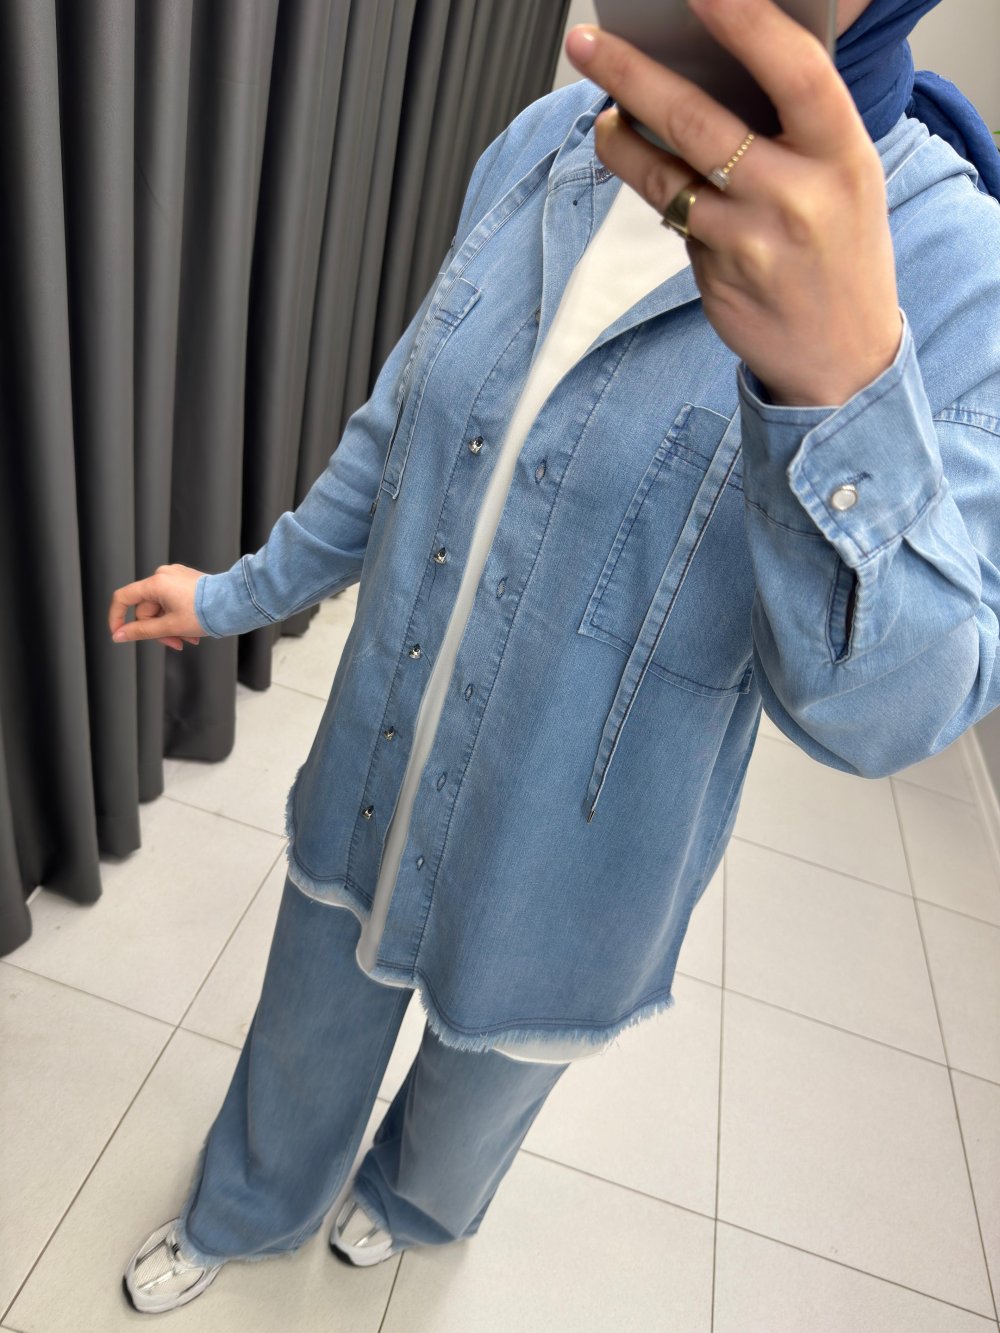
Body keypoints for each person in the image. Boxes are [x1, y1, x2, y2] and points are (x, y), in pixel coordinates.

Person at [108, 0, 1000, 1313]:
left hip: (574, 850)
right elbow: (403, 420)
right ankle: (248, 1204)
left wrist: (842, 387)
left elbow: (893, 710)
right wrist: (240, 591)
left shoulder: (948, 263)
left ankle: (411, 1200)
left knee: (489, 1073)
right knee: (309, 1010)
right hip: (386, 744)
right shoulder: (552, 139)